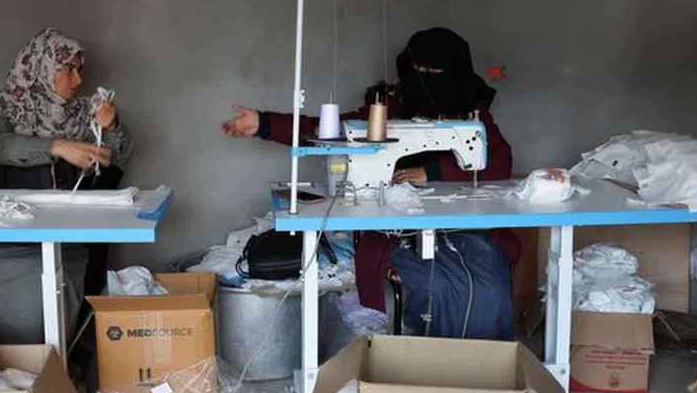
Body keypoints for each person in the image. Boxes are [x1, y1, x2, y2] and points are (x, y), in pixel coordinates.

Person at [222, 27, 518, 313]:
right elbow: (327, 131)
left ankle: (471, 345)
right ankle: (428, 343)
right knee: (436, 286)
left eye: (435, 72)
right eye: (419, 70)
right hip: (397, 230)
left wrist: (431, 171)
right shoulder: (390, 107)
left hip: (466, 228)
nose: (424, 78)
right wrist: (265, 124)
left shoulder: (473, 114)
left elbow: (500, 161)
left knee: (490, 286)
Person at [0, 28, 134, 343]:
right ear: (41, 68)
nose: (78, 79)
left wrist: (112, 126)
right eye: (67, 69)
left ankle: (48, 360)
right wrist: (56, 147)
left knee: (52, 281)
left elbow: (118, 157)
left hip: (65, 233)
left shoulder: (83, 112)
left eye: (80, 69)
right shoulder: (8, 105)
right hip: (6, 231)